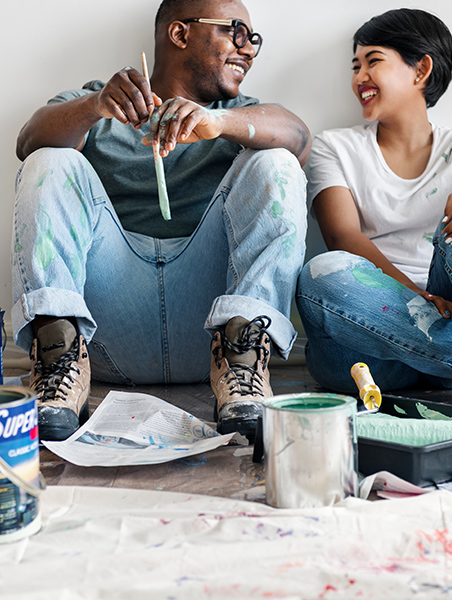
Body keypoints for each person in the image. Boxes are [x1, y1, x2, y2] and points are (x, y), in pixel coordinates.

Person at [13, 0, 310, 442]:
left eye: (254, 40)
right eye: (236, 32)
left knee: (277, 163)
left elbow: (300, 138)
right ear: (180, 34)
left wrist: (218, 122)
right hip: (106, 335)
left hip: (209, 337)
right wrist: (96, 105)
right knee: (49, 161)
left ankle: (244, 366)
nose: (248, 50)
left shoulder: (241, 115)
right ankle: (58, 365)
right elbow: (29, 140)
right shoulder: (98, 104)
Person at [295, 8, 452, 458]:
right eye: (354, 66)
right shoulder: (334, 147)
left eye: (372, 61)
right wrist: (416, 298)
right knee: (323, 270)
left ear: (421, 69)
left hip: (450, 312)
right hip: (364, 349)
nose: (359, 76)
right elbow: (342, 236)